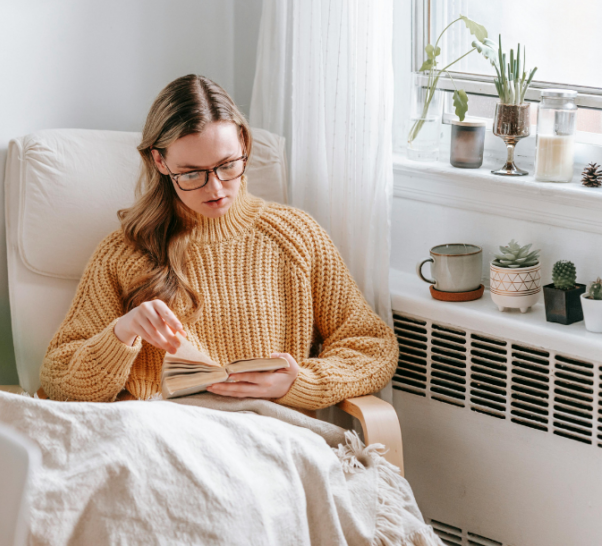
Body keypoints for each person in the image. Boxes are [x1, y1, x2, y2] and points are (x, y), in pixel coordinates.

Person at [39, 74, 398, 410]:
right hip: (161, 442)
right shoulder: (125, 252)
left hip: (267, 441)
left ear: (243, 143)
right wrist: (123, 333)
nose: (215, 189)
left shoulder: (295, 237)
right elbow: (58, 380)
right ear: (160, 162)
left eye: (227, 165)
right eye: (192, 173)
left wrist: (299, 382)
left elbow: (374, 347)